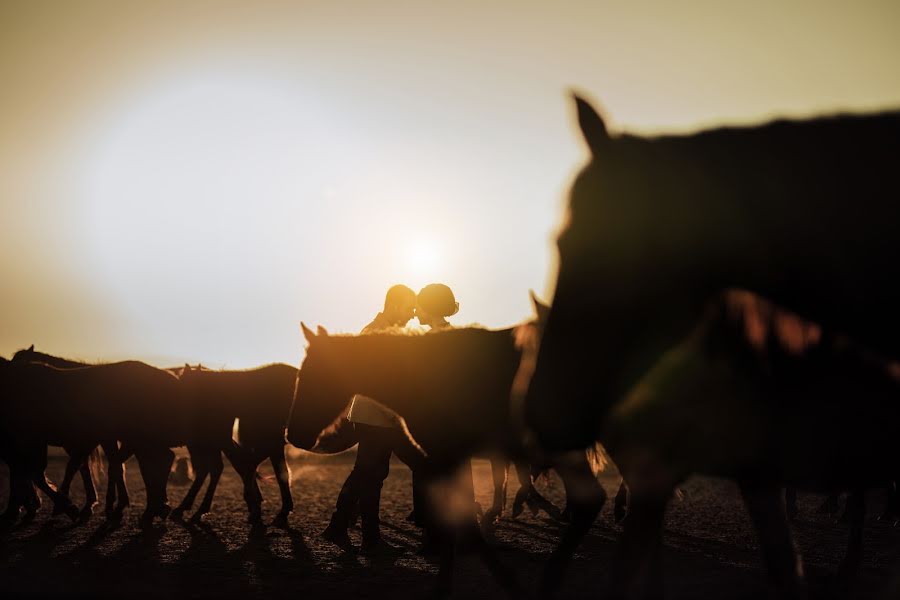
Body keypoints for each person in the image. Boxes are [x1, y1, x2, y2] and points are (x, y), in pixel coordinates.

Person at [321, 284, 428, 554]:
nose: (413, 314)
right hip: (375, 417)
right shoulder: (377, 333)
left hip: (378, 417)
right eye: (409, 307)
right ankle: (370, 539)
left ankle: (337, 527)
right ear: (393, 304)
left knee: (365, 473)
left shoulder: (385, 331)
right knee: (373, 475)